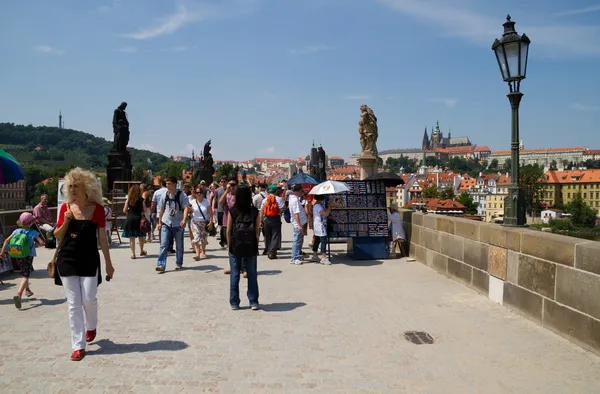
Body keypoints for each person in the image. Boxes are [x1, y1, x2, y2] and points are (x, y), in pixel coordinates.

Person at [53, 167, 114, 361]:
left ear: (86, 188)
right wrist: (65, 222)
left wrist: (109, 264)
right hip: (67, 258)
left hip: (89, 259)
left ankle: (91, 325)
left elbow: (102, 239)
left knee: (88, 298)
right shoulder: (65, 208)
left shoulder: (97, 210)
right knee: (73, 304)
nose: (72, 190)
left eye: (76, 187)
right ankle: (78, 346)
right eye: (70, 186)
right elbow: (56, 235)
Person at [226, 186, 260, 310]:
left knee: (234, 274)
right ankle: (253, 301)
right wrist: (255, 244)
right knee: (252, 274)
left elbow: (229, 230)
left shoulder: (233, 211)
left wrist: (230, 246)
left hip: (236, 247)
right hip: (251, 246)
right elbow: (257, 231)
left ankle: (234, 303)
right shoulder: (255, 211)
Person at [0, 212, 44, 309]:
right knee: (25, 274)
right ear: (31, 222)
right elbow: (41, 243)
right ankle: (19, 294)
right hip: (28, 256)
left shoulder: (16, 231)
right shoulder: (32, 232)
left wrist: (2, 252)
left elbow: (6, 241)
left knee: (24, 271)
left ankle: (27, 289)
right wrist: (36, 244)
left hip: (17, 255)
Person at [156, 176, 190, 272]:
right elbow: (161, 209)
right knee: (163, 244)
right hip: (166, 223)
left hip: (178, 224)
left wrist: (184, 219)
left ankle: (179, 263)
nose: (167, 185)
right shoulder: (165, 195)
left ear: (175, 184)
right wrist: (159, 222)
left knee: (179, 245)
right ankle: (161, 265)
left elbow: (186, 207)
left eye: (169, 184)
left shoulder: (181, 195)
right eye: (166, 184)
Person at [259, 185, 284, 260]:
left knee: (268, 236)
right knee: (275, 235)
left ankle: (269, 250)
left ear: (269, 191)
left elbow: (261, 211)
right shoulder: (279, 199)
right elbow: (281, 209)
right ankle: (272, 252)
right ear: (276, 192)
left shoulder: (265, 199)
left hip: (266, 219)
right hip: (276, 218)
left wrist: (261, 221)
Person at [122, 184, 147, 259]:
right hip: (138, 219)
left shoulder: (128, 199)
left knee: (132, 238)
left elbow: (124, 210)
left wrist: (129, 212)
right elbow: (145, 210)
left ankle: (133, 254)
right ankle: (141, 250)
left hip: (130, 219)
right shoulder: (141, 200)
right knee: (140, 236)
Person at [219, 179, 237, 273]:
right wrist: (226, 190)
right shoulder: (227, 195)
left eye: (234, 185)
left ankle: (242, 267)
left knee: (238, 245)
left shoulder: (239, 196)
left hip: (237, 223)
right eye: (230, 185)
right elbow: (220, 202)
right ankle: (233, 267)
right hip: (227, 222)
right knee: (230, 246)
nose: (232, 187)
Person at [190, 187, 213, 260]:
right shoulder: (192, 202)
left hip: (204, 222)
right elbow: (189, 211)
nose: (198, 194)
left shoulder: (206, 202)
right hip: (195, 222)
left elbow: (210, 213)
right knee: (196, 237)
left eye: (200, 192)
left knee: (203, 238)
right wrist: (189, 212)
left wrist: (211, 222)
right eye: (197, 193)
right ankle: (197, 254)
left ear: (202, 194)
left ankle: (203, 251)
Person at [310, 195, 333, 265]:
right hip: (320, 226)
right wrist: (329, 207)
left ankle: (314, 255)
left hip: (318, 225)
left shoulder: (318, 205)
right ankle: (323, 257)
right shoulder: (318, 206)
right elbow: (325, 214)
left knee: (317, 240)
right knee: (323, 241)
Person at [152, 180, 174, 253]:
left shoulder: (157, 192)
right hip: (170, 213)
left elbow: (154, 204)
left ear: (161, 184)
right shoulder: (170, 191)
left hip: (159, 213)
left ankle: (163, 245)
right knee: (171, 229)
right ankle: (170, 246)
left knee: (161, 230)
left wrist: (151, 212)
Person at [289, 184, 308, 265]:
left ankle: (295, 255)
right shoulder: (295, 200)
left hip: (299, 223)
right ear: (297, 191)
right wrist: (299, 225)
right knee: (297, 241)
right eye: (301, 191)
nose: (302, 192)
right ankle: (294, 258)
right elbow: (296, 214)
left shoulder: (294, 198)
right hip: (298, 224)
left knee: (298, 240)